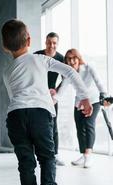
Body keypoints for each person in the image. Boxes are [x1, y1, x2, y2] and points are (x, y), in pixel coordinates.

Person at [1, 20, 93, 185]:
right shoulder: (40, 59)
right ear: (29, 41)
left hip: (16, 116)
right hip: (40, 113)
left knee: (26, 163)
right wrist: (84, 96)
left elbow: (14, 96)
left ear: (5, 46)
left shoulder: (7, 71)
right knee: (47, 156)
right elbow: (71, 72)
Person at [55, 48, 110, 168]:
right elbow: (62, 89)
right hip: (79, 102)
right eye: (68, 59)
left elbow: (98, 82)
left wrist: (104, 95)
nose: (71, 61)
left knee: (89, 125)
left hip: (93, 101)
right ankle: (83, 155)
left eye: (74, 58)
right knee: (79, 127)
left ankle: (88, 155)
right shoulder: (69, 73)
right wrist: (54, 99)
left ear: (78, 58)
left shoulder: (89, 67)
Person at [34, 32, 65, 166]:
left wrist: (56, 90)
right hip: (36, 95)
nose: (51, 45)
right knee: (36, 125)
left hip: (51, 98)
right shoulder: (37, 55)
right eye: (49, 42)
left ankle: (54, 155)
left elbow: (66, 78)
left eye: (54, 43)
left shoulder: (61, 58)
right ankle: (38, 154)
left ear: (57, 44)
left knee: (53, 126)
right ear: (45, 42)